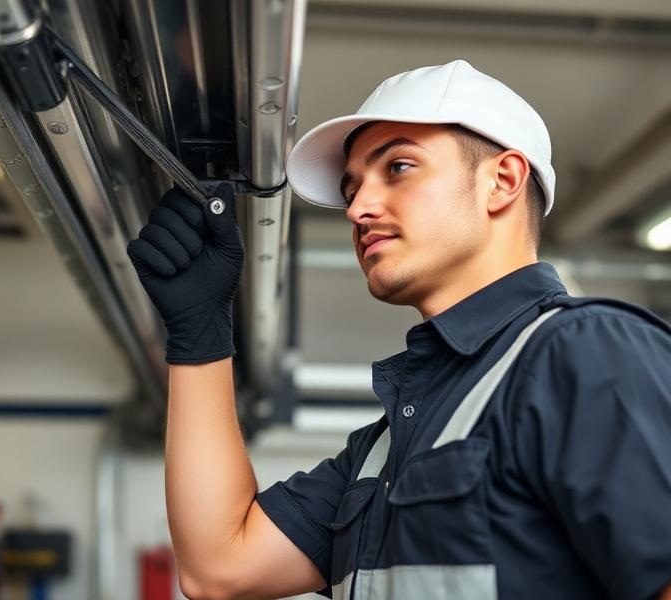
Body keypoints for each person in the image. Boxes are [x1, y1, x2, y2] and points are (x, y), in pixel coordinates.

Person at [127, 59, 671, 600]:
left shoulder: (585, 353)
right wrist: (199, 331)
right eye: (351, 188)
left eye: (399, 168)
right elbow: (219, 567)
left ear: (502, 181)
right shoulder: (385, 447)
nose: (358, 208)